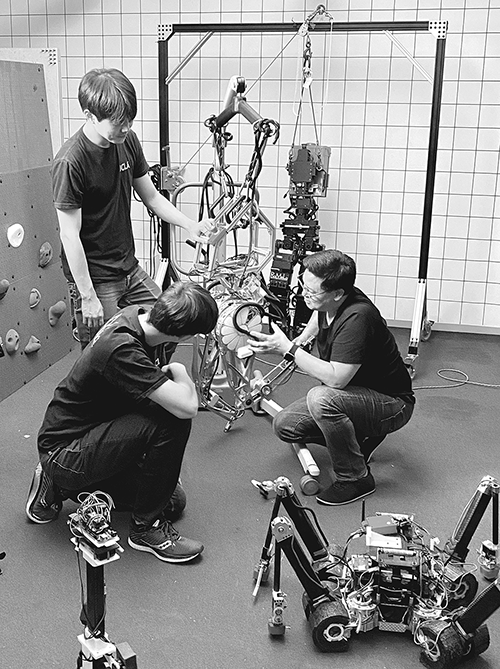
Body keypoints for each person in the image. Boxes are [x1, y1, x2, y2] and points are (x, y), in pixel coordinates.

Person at [26, 281, 218, 563]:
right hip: (65, 451)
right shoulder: (122, 348)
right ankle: (145, 530)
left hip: (94, 432)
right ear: (182, 334)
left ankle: (61, 487)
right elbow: (188, 407)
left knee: (174, 501)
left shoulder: (140, 316)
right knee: (172, 419)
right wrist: (179, 370)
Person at [51, 67, 212, 349]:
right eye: (117, 122)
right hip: (97, 279)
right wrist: (87, 296)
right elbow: (69, 235)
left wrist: (190, 224)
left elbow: (151, 196)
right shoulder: (70, 162)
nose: (126, 128)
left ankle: (153, 389)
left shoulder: (127, 141)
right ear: (89, 115)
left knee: (171, 328)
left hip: (130, 269)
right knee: (109, 356)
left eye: (130, 120)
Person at [247, 249, 415, 506]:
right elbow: (319, 313)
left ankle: (355, 478)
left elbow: (337, 379)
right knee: (285, 425)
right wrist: (302, 340)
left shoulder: (358, 316)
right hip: (357, 395)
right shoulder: (330, 301)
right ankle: (359, 440)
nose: (305, 294)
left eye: (312, 292)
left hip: (391, 404)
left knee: (321, 398)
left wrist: (289, 349)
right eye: (304, 286)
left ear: (338, 293)